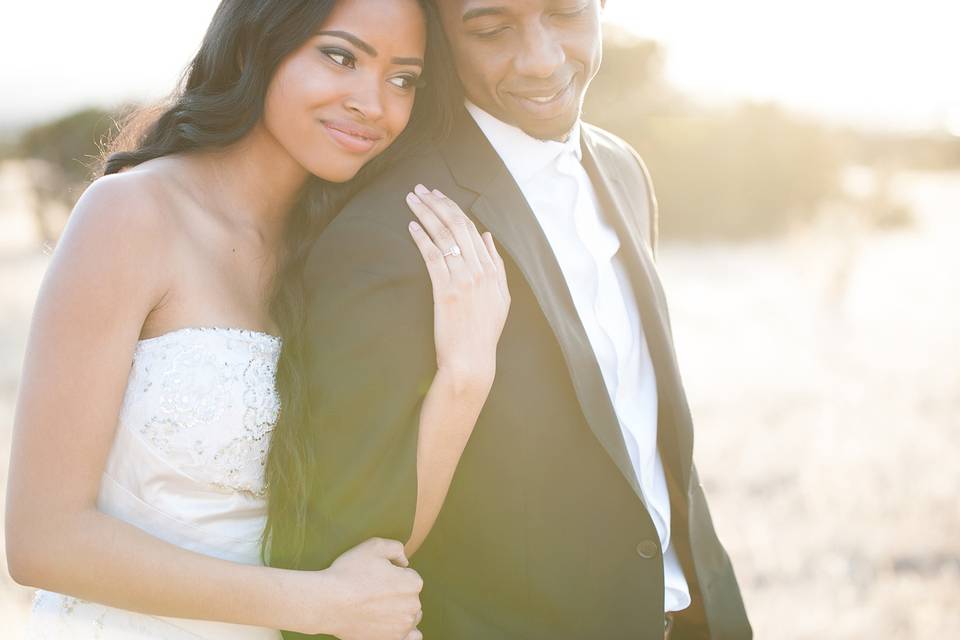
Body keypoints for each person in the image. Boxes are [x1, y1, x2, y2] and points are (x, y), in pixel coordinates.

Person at [4, 1, 510, 639]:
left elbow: (376, 541)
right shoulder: (131, 214)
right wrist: (314, 605)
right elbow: (42, 539)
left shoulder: (343, 257)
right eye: (341, 56)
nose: (373, 103)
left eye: (403, 79)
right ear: (257, 45)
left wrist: (466, 374)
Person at [272, 1, 753, 638]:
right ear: (440, 39)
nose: (542, 59)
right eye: (492, 29)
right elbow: (347, 542)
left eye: (566, 13)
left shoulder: (623, 170)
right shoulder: (391, 229)